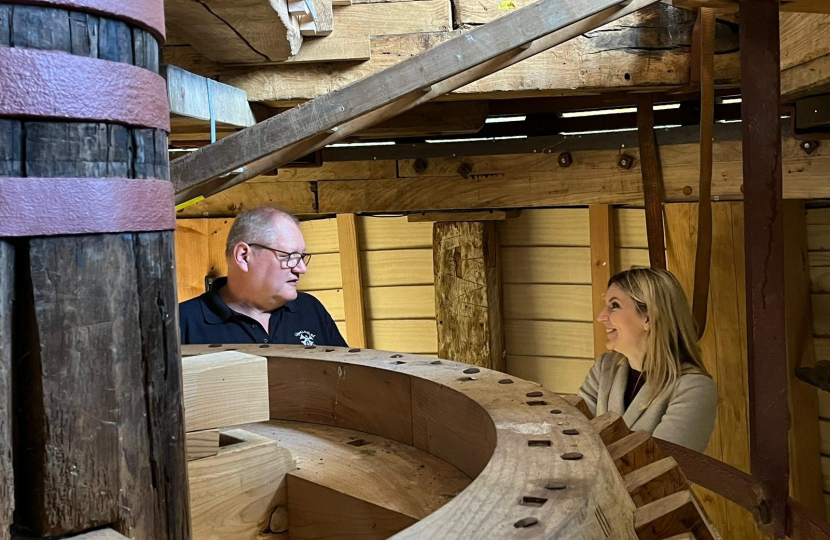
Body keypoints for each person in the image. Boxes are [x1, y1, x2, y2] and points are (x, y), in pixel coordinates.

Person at [578, 267, 717, 452]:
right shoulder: (605, 368)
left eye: (615, 305)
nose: (601, 317)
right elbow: (571, 432)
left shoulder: (694, 388)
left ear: (649, 318)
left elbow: (661, 467)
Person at [179, 206, 347, 347]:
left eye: (301, 257)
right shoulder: (181, 323)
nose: (302, 269)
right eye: (290, 257)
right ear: (244, 257)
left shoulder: (311, 310)